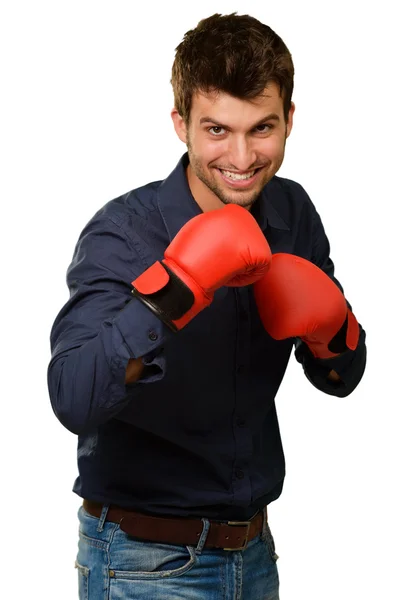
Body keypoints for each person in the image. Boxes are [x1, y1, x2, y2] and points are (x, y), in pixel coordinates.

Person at [47, 12, 367, 600]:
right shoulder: (124, 234)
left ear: (290, 120)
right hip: (143, 564)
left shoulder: (292, 214)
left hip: (255, 554)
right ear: (181, 124)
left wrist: (333, 329)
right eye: (217, 130)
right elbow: (71, 397)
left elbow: (342, 377)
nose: (242, 157)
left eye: (262, 129)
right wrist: (173, 291)